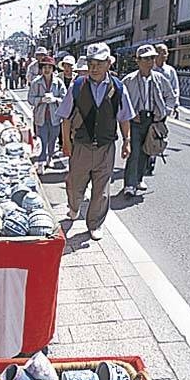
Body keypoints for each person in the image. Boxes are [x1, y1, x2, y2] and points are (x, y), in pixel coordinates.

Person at [58, 43, 135, 241]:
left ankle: (95, 224)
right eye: (91, 63)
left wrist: (127, 140)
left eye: (99, 63)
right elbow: (65, 117)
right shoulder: (77, 85)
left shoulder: (118, 88)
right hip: (81, 146)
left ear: (108, 63)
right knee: (75, 185)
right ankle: (74, 207)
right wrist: (66, 143)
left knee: (101, 190)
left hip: (105, 147)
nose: (94, 68)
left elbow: (124, 117)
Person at [122, 44, 175, 197]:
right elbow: (121, 101)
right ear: (137, 61)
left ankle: (139, 179)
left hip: (153, 120)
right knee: (134, 152)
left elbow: (171, 97)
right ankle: (129, 185)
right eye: (145, 59)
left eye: (152, 58)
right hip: (135, 120)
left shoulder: (160, 79)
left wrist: (166, 112)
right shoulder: (129, 80)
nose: (149, 62)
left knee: (147, 151)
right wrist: (130, 114)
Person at [28, 55, 66, 175]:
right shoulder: (36, 82)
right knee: (42, 140)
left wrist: (55, 99)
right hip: (41, 116)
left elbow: (65, 99)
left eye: (49, 67)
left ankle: (50, 157)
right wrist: (40, 100)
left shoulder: (58, 83)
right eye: (44, 67)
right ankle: (41, 162)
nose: (47, 69)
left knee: (52, 140)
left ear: (53, 69)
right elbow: (30, 98)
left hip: (55, 117)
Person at [150, 43, 180, 174]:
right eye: (161, 52)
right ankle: (144, 159)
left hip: (163, 109)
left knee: (158, 135)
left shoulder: (170, 71)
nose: (163, 55)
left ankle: (152, 160)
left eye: (165, 53)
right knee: (146, 134)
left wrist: (175, 105)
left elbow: (175, 89)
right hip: (149, 107)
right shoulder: (150, 69)